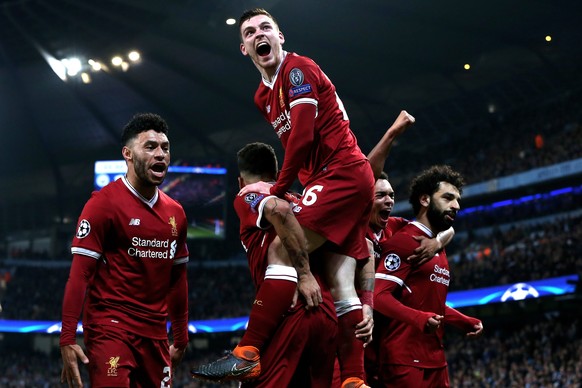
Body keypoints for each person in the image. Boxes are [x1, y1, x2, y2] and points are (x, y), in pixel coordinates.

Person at [237, 9, 375, 387]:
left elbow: (300, 137)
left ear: (280, 36)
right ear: (244, 48)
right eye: (250, 32)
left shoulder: (298, 69)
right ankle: (353, 378)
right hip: (337, 179)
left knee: (283, 247)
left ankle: (248, 351)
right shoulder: (262, 95)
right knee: (337, 275)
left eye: (266, 28)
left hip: (340, 174)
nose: (259, 34)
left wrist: (280, 190)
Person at [59, 113, 190, 388]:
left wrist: (181, 337)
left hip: (155, 333)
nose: (161, 154)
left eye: (165, 147)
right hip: (111, 327)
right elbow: (79, 275)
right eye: (151, 146)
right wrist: (67, 338)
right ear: (128, 154)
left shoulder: (176, 213)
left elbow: (177, 280)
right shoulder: (102, 205)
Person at [192, 142, 338, 386]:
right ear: (279, 174)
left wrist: (302, 274)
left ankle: (246, 355)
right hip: (325, 310)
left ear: (240, 181)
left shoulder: (250, 193)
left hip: (289, 311)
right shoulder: (301, 199)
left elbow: (276, 208)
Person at [373, 165, 483, 387]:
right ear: (425, 200)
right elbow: (378, 296)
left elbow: (427, 302)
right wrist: (419, 319)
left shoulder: (436, 247)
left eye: (457, 199)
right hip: (403, 360)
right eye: (448, 198)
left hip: (435, 358)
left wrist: (463, 321)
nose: (456, 205)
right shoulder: (405, 241)